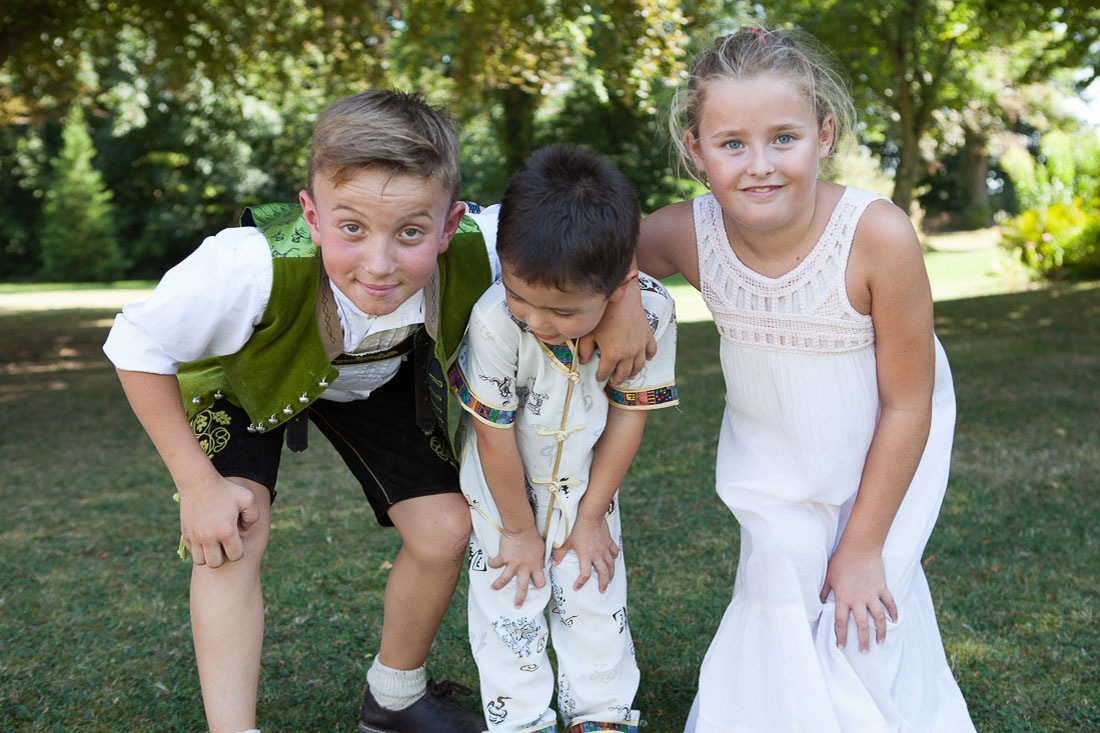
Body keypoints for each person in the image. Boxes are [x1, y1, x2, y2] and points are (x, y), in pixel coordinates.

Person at [103, 91, 651, 733]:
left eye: (412, 232)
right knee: (233, 529)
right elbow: (135, 344)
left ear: (451, 225)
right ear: (310, 214)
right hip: (246, 376)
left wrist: (626, 297)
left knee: (447, 530)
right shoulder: (245, 266)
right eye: (352, 228)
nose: (380, 263)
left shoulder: (489, 237)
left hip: (380, 376)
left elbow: (604, 225)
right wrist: (196, 484)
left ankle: (393, 699)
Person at [635, 28, 976, 732]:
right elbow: (597, 254)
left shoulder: (877, 236)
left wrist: (862, 545)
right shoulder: (687, 232)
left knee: (863, 619)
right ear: (697, 152)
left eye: (782, 138)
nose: (759, 165)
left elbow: (909, 401)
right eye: (732, 144)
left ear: (823, 134)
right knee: (781, 589)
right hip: (773, 467)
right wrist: (616, 307)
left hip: (882, 454)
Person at [448, 144, 679, 733]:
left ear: (617, 287)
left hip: (588, 486)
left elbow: (630, 415)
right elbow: (491, 433)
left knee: (595, 594)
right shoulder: (494, 320)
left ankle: (602, 716)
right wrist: (519, 531)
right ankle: (521, 721)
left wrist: (592, 515)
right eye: (521, 296)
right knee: (511, 608)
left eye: (564, 311)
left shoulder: (651, 310)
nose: (537, 320)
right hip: (501, 497)